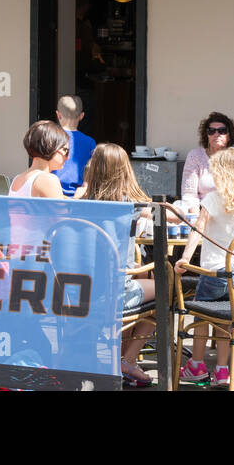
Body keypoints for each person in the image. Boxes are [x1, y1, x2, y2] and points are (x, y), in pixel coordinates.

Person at [175, 146, 234, 387]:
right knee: (225, 319)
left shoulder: (213, 199)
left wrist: (185, 260)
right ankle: (222, 370)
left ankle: (197, 364)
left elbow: (198, 230)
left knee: (202, 318)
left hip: (213, 272)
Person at [76, 143, 156, 387]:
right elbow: (165, 215)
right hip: (114, 292)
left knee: (140, 283)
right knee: (165, 288)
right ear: (124, 170)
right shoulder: (131, 204)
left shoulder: (80, 200)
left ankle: (115, 358)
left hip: (79, 291)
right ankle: (128, 359)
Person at [181, 112, 234, 203]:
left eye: (222, 130)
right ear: (206, 135)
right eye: (211, 131)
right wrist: (196, 214)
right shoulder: (195, 156)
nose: (216, 134)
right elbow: (189, 195)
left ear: (229, 135)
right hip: (203, 210)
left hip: (233, 209)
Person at [9, 120, 70, 199]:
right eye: (66, 151)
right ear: (52, 146)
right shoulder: (48, 180)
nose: (67, 157)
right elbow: (62, 211)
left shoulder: (17, 179)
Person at [54, 95, 96, 196]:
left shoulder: (51, 137)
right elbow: (92, 171)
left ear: (58, 115)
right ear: (82, 116)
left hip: (52, 192)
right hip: (78, 195)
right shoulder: (90, 142)